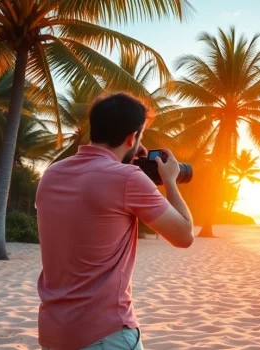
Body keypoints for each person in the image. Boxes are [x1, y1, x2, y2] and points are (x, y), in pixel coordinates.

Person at [35, 92, 195, 350]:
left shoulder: (52, 174)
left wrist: (123, 158)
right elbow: (184, 236)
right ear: (132, 137)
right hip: (105, 335)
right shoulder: (128, 178)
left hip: (55, 334)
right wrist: (170, 182)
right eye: (139, 136)